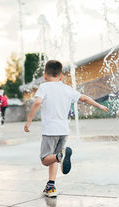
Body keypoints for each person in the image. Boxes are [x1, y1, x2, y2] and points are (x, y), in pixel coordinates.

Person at [24, 60, 109, 197]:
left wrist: (29, 121)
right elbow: (84, 98)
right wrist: (99, 105)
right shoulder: (66, 89)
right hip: (63, 131)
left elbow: (37, 102)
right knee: (54, 158)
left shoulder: (44, 87)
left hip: (50, 131)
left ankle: (60, 156)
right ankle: (51, 186)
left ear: (45, 75)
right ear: (61, 76)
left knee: (45, 159)